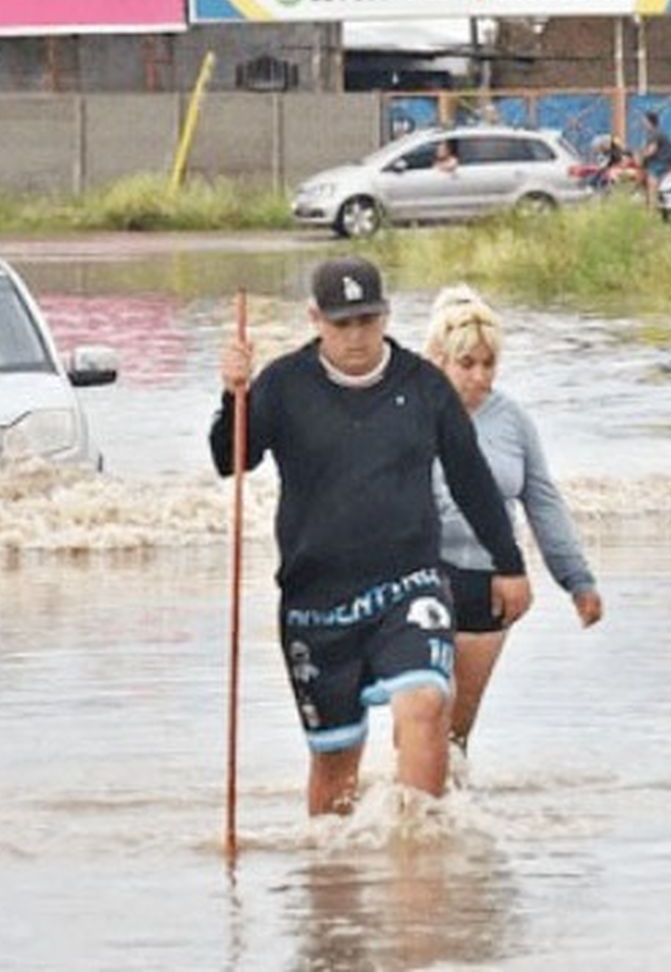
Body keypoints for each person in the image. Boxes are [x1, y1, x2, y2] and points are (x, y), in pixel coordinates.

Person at [209, 255, 532, 817]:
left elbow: (471, 478)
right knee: (335, 769)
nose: (356, 336)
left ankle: (421, 856)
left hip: (409, 584)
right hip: (316, 601)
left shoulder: (424, 385)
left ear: (386, 315)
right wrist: (234, 395)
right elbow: (229, 459)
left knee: (427, 702)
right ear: (315, 318)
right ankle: (332, 881)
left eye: (367, 320)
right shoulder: (284, 384)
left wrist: (509, 563)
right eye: (342, 323)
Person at [423, 284, 604, 754]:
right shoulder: (411, 414)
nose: (480, 377)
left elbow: (542, 501)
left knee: (456, 732)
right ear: (440, 358)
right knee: (424, 716)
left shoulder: (513, 421)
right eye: (467, 364)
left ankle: (448, 819)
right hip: (422, 579)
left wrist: (576, 579)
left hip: (489, 585)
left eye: (489, 364)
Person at [639, 110, 671, 214]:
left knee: (652, 179)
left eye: (644, 120)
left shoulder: (655, 133)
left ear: (649, 121)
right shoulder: (651, 134)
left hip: (662, 161)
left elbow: (652, 150)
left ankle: (652, 209)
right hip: (658, 160)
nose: (642, 122)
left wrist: (641, 157)